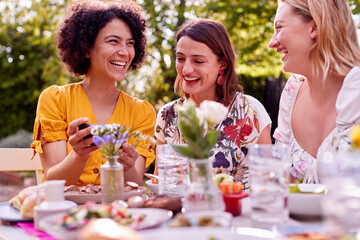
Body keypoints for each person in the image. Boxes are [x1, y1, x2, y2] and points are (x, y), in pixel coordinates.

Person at [31, 0, 156, 186]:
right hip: (66, 213)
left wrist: (128, 167)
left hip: (117, 213)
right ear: (86, 47)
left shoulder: (142, 112)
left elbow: (134, 185)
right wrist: (78, 156)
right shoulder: (55, 100)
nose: (124, 52)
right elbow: (53, 182)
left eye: (130, 43)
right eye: (113, 41)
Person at [155, 19, 272, 188]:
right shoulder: (167, 114)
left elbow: (268, 184)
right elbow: (159, 185)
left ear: (222, 65)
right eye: (180, 58)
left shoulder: (250, 110)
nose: (186, 69)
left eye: (198, 61)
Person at [269, 0, 360, 183]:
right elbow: (283, 182)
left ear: (314, 28)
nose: (272, 42)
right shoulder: (292, 92)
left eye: (279, 27)